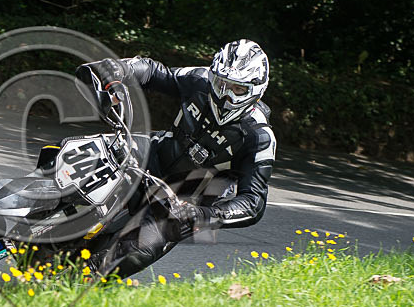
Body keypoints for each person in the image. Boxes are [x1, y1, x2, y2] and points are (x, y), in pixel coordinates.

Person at [75, 39, 277, 277]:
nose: (224, 95)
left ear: (256, 89)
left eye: (237, 89)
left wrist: (205, 215)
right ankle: (33, 207)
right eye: (221, 83)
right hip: (154, 154)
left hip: (184, 202)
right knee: (84, 151)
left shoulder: (260, 136)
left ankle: (76, 281)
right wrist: (120, 69)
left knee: (134, 252)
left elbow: (253, 203)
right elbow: (152, 72)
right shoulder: (199, 80)